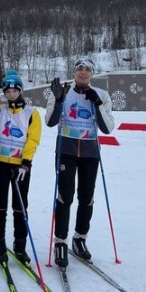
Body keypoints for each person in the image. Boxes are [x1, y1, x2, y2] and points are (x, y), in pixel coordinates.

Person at [45, 57, 114, 267]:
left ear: (92, 74)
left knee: (87, 198)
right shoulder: (63, 92)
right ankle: (60, 241)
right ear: (74, 72)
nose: (83, 73)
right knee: (65, 197)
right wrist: (58, 100)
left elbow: (107, 128)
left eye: (87, 70)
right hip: (66, 150)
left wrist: (97, 103)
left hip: (90, 152)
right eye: (80, 69)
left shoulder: (102, 95)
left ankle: (80, 238)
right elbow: (50, 122)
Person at [0, 55, 42, 264]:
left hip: (21, 167)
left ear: (20, 90)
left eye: (15, 90)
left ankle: (20, 245)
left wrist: (26, 162)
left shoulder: (31, 113)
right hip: (0, 165)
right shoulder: (1, 109)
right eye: (7, 90)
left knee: (20, 207)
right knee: (0, 206)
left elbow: (33, 139)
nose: (11, 93)